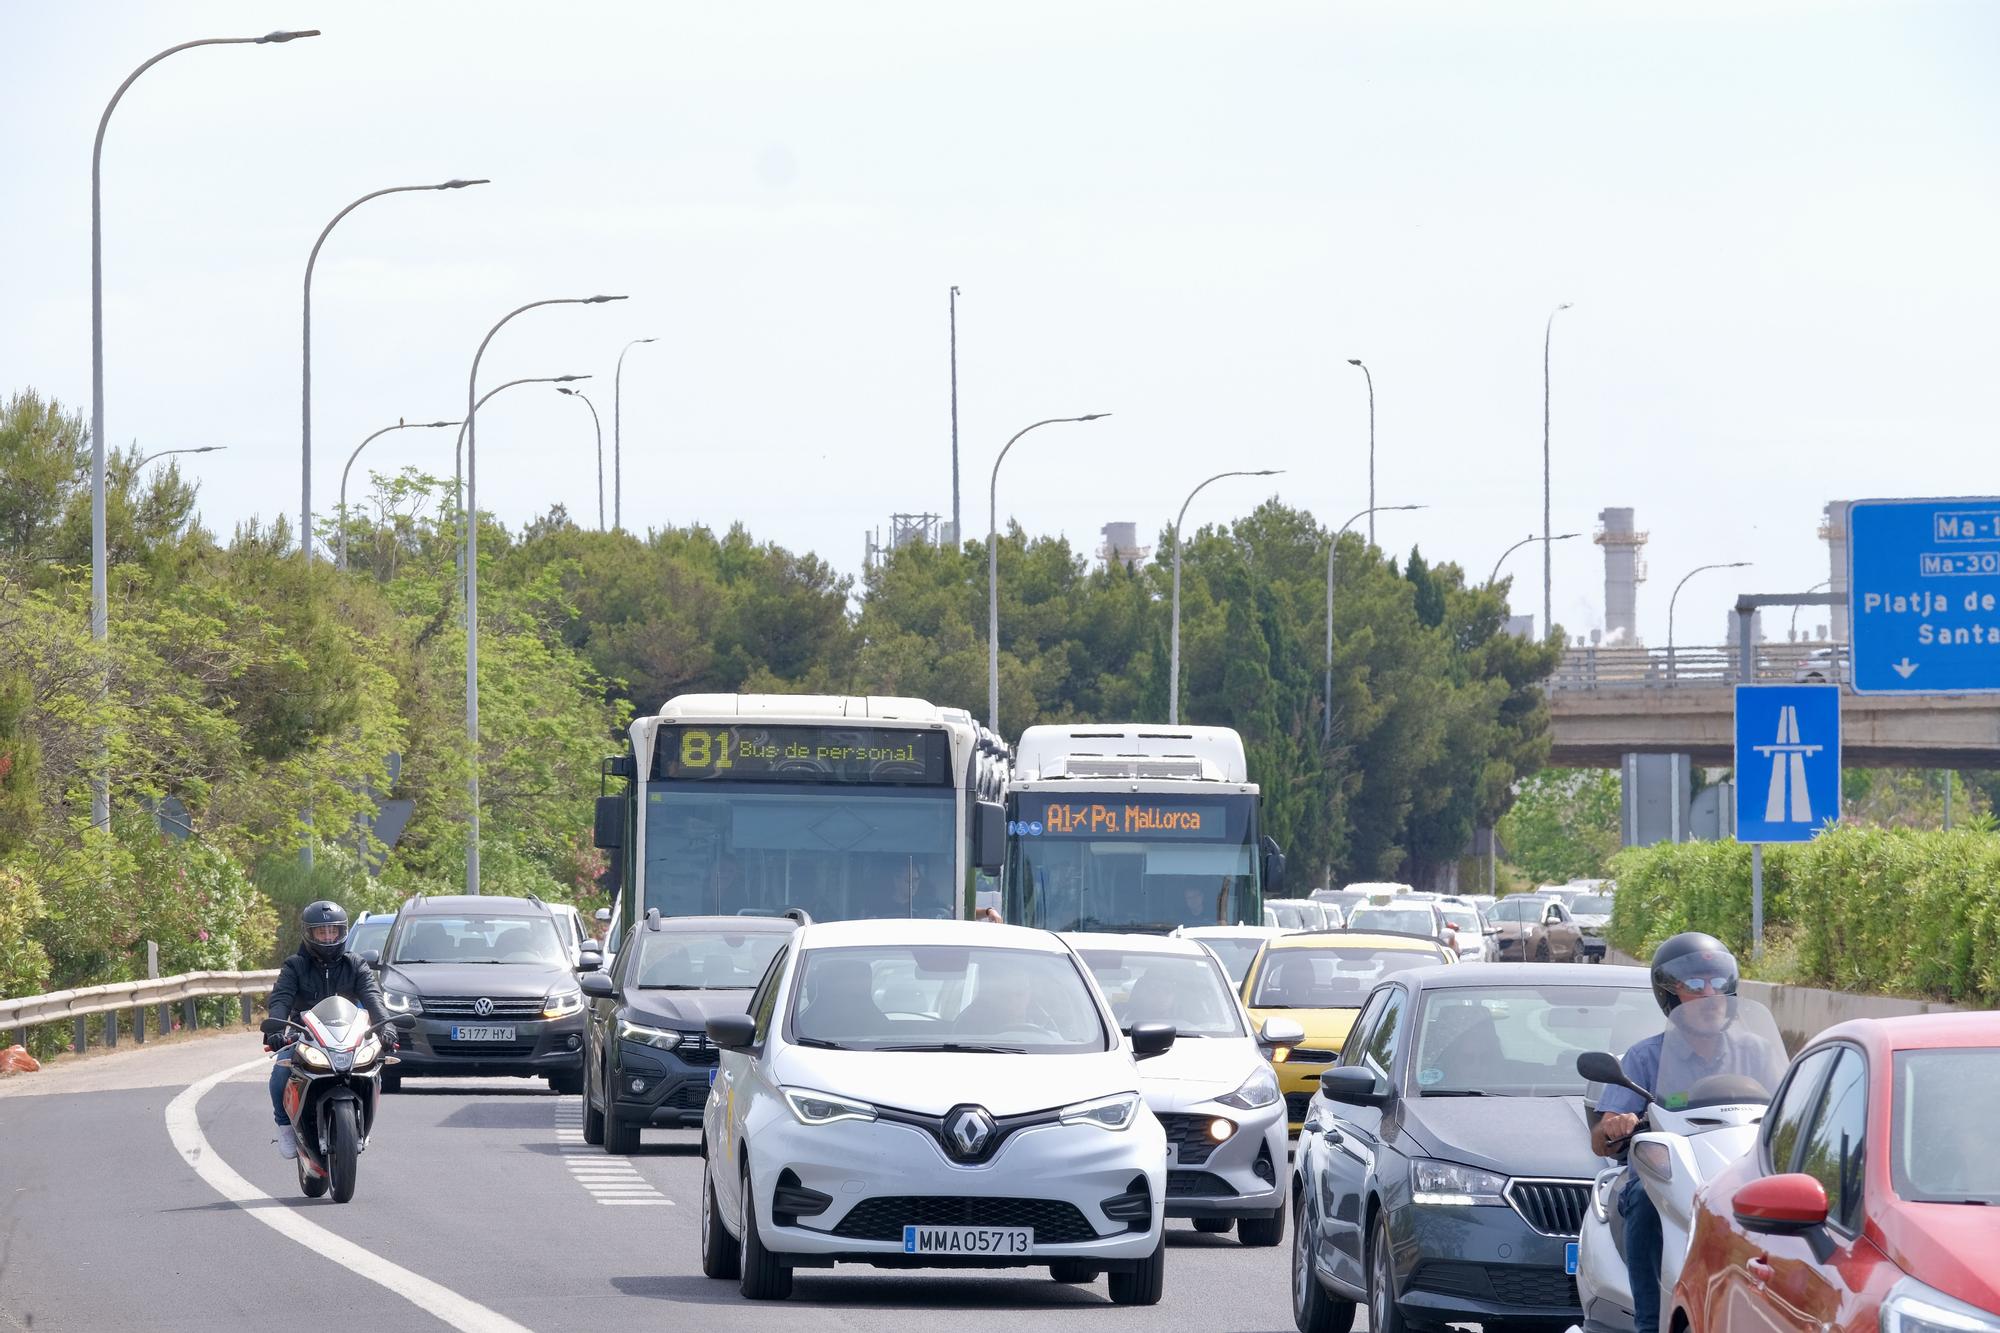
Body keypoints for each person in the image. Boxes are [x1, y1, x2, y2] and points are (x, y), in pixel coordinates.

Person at [1589, 932, 1750, 1333]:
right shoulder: (1646, 1056)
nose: (1709, 994)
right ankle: (1649, 1320)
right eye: (1695, 984)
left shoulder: (1756, 1051)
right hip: (1664, 1175)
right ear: (1670, 994)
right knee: (1644, 1199)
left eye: (1717, 983)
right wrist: (1615, 1123)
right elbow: (1601, 1139)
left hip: (1735, 1166)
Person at [264, 900, 390, 1160]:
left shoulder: (355, 964)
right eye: (322, 932)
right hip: (305, 1035)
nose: (328, 936)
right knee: (279, 1074)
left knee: (374, 1069)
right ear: (309, 934)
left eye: (333, 930)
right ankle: (285, 1126)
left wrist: (386, 1027)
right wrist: (275, 1029)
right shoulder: (294, 966)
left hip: (349, 1037)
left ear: (343, 932)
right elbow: (280, 1000)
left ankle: (362, 1121)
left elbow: (373, 997)